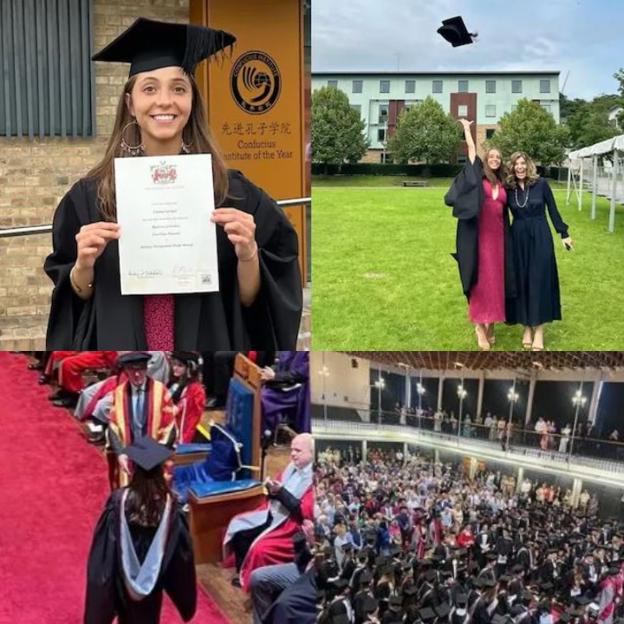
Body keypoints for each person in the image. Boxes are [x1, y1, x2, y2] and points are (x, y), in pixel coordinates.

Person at [44, 17, 302, 350]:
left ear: (192, 101)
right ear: (130, 104)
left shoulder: (232, 193)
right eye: (149, 88)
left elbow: (255, 303)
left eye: (178, 88)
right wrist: (83, 266)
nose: (165, 101)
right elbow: (75, 298)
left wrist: (249, 254)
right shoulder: (89, 197)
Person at [84, 436, 196, 623]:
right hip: (152, 589)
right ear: (159, 472)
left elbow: (105, 553)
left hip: (122, 585)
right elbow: (181, 556)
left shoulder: (119, 501)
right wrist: (183, 595)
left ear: (135, 470)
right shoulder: (170, 507)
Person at [445, 119, 516, 351]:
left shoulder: (504, 183)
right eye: (491, 157)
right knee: (480, 281)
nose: (494, 160)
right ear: (487, 161)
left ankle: (492, 322)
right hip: (479, 237)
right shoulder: (479, 178)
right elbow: (473, 151)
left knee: (497, 281)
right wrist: (467, 129)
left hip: (499, 238)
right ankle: (479, 325)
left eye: (498, 158)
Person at [223, 433, 315, 591]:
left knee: (261, 549)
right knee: (239, 528)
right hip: (273, 511)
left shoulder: (312, 479)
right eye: (292, 449)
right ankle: (242, 572)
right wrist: (271, 488)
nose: (292, 454)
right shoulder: (291, 467)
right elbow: (278, 487)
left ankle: (254, 582)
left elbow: (303, 512)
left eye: (298, 450)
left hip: (290, 524)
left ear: (311, 453)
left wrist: (280, 492)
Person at [505, 151, 574, 351]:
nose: (520, 167)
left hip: (540, 235)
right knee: (522, 281)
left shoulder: (541, 184)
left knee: (540, 280)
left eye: (523, 163)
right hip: (518, 237)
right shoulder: (508, 188)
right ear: (512, 167)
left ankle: (539, 330)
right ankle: (526, 327)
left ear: (528, 165)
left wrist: (564, 233)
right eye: (516, 164)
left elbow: (552, 209)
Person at [107, 351, 177, 487]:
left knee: (153, 495)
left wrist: (153, 457)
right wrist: (120, 453)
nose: (137, 374)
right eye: (132, 370)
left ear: (146, 368)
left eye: (140, 369)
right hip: (129, 452)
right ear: (126, 370)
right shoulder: (119, 392)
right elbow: (113, 425)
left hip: (154, 453)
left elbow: (170, 427)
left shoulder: (160, 390)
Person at [261, 351, 311, 435]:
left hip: (300, 388)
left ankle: (263, 435)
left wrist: (276, 376)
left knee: (263, 399)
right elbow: (280, 361)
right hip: (284, 381)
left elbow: (303, 373)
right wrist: (268, 372)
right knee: (257, 394)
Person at [167, 351, 205, 443]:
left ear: (190, 368)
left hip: (180, 433)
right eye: (174, 364)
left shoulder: (196, 391)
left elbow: (191, 420)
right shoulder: (175, 383)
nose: (175, 368)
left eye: (180, 365)